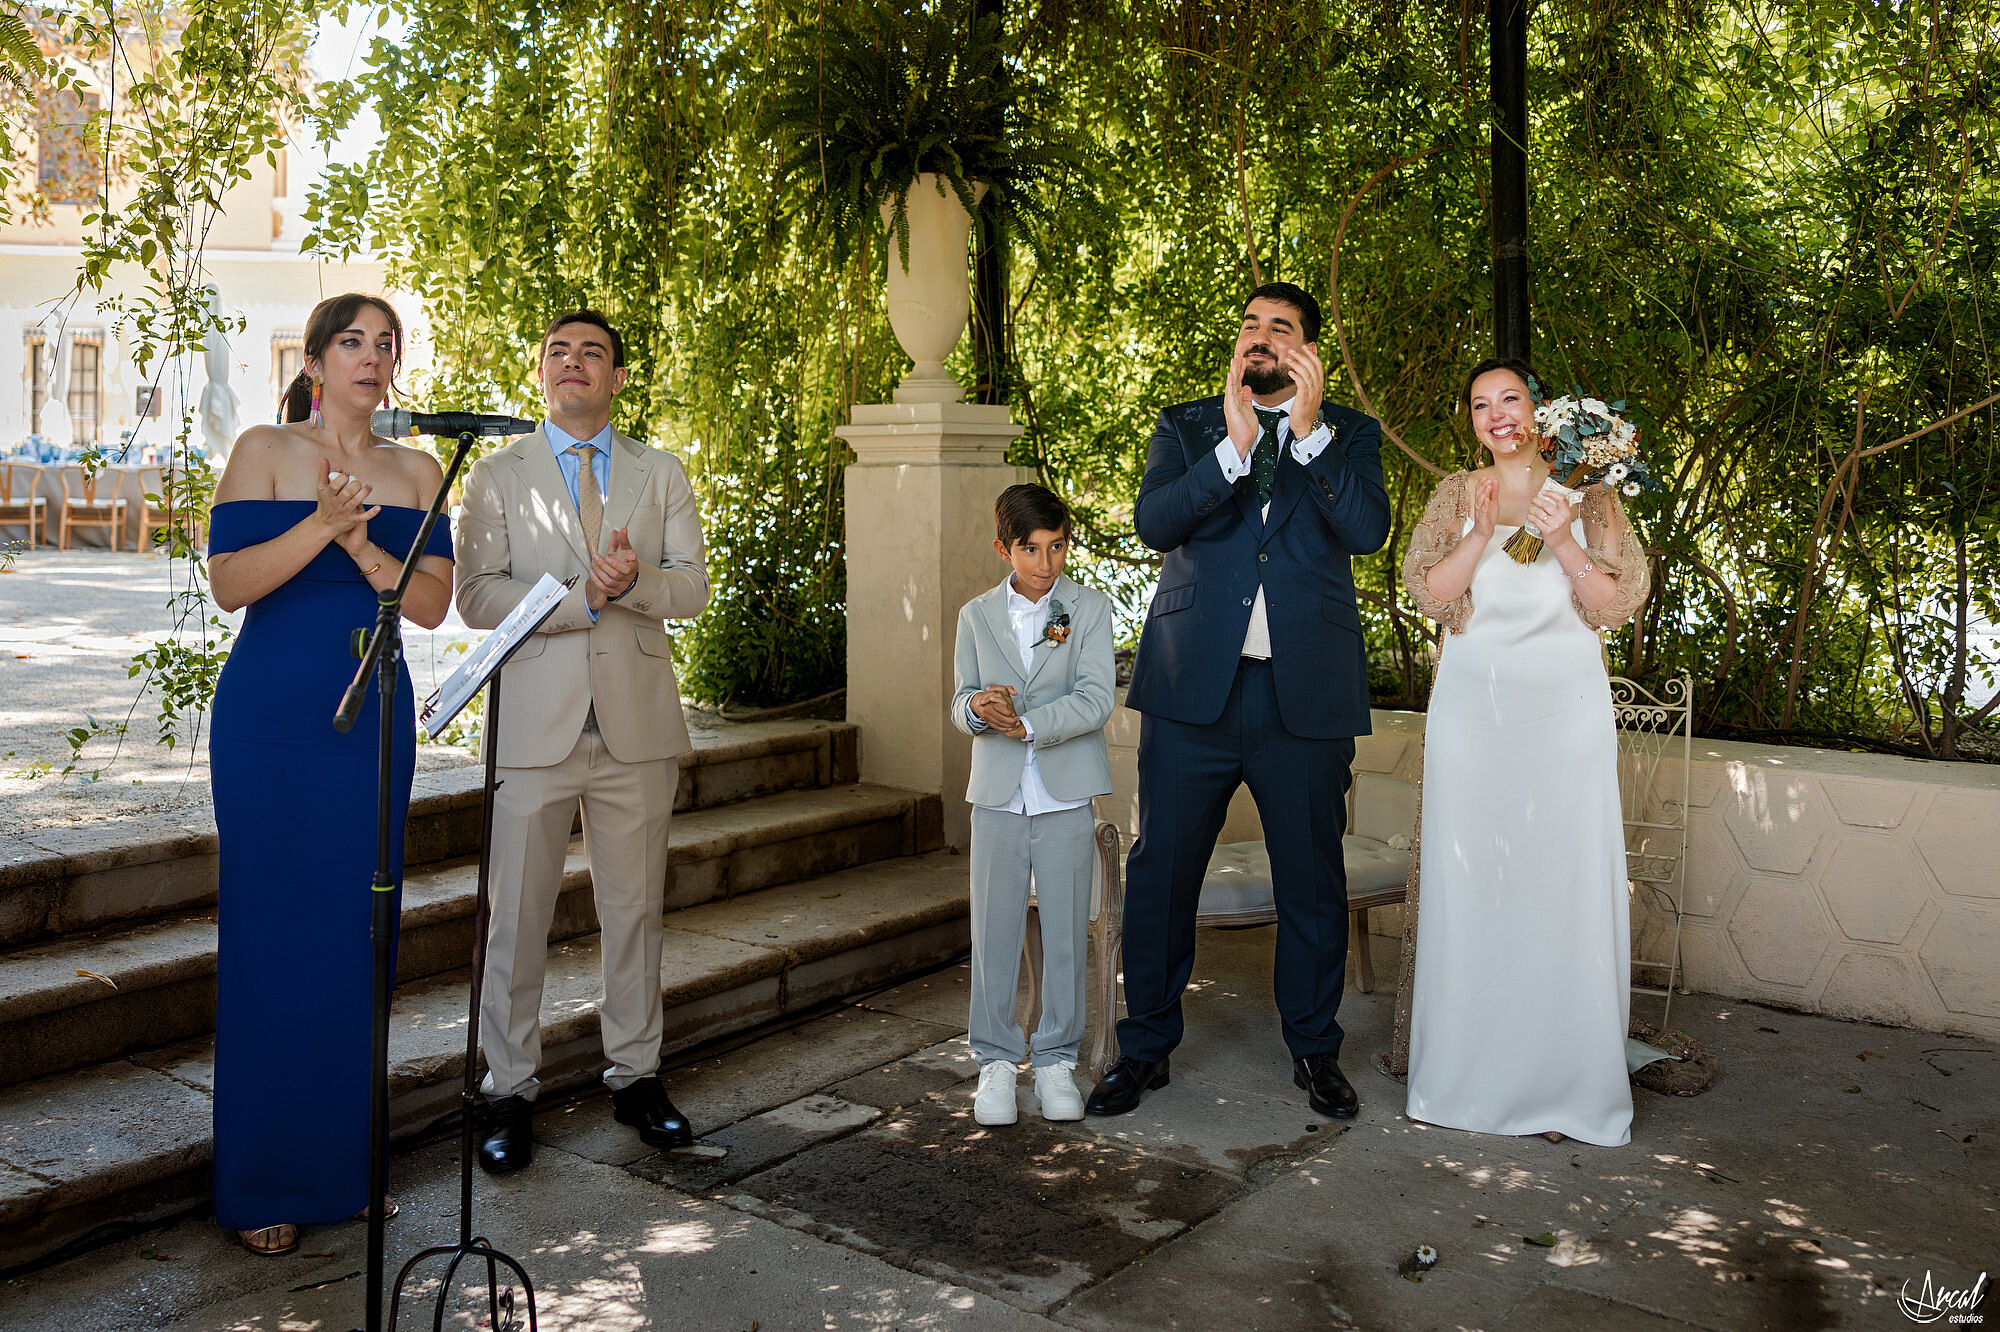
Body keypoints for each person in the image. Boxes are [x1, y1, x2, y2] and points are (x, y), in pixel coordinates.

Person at [1090, 282, 1390, 1119]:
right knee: (1163, 874)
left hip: (1307, 697)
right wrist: (1231, 448)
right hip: (1192, 693)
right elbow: (1155, 522)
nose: (1260, 338)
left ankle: (1315, 1052)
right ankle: (1145, 1048)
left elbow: (1368, 531)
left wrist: (1307, 437)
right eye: (1251, 325)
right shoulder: (1186, 425)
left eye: (1280, 328)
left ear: (1307, 350)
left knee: (1313, 882)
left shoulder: (1348, 436)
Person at [207, 293, 455, 1255]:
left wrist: (359, 538)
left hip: (370, 723)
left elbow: (431, 606)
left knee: (360, 934)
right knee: (271, 933)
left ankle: (344, 1172)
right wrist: (318, 525)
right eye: (352, 340)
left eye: (385, 343)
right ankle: (263, 1180)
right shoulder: (264, 449)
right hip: (271, 718)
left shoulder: (419, 470)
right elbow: (229, 583)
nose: (372, 355)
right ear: (315, 360)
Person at [455, 309, 710, 1173]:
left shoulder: (661, 470)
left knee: (634, 913)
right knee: (516, 916)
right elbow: (477, 599)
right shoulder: (495, 474)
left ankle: (637, 1076)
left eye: (592, 353)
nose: (574, 363)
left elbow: (694, 589)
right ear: (540, 372)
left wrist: (634, 583)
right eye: (559, 351)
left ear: (617, 377)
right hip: (533, 727)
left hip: (635, 726)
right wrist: (579, 600)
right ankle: (508, 1090)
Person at [1399, 357, 1650, 1146]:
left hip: (1565, 717)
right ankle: (1469, 1079)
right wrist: (1480, 534)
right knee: (1475, 882)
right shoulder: (1455, 493)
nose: (1497, 414)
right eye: (1481, 404)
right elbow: (1433, 595)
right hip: (1475, 714)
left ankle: (1571, 1081)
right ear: (1470, 420)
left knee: (1563, 883)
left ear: (1547, 412)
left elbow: (1615, 606)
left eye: (1512, 399)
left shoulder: (1594, 492)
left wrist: (1564, 537)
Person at [950, 484, 1116, 1126]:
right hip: (995, 794)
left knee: (1068, 931)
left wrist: (1031, 724)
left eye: (1056, 547)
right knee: (992, 928)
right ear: (1003, 548)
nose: (1046, 564)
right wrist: (977, 709)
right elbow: (960, 700)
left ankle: (1054, 1060)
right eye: (1030, 550)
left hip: (1063, 791)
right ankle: (994, 1061)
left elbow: (1098, 696)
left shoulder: (1089, 609)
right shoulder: (975, 615)